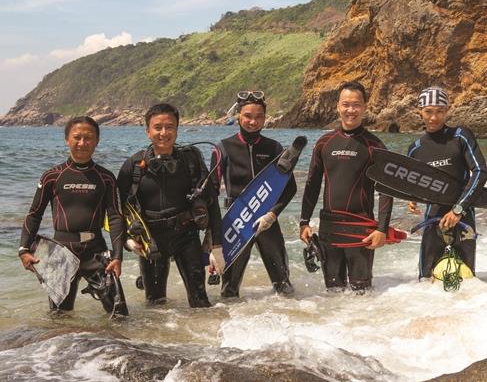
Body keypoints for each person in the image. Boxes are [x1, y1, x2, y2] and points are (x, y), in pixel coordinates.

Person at [117, 103, 224, 307]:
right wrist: (126, 241)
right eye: (158, 127)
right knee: (155, 305)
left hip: (186, 235)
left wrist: (216, 246)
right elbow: (115, 208)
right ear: (148, 131)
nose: (163, 133)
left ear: (177, 129)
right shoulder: (134, 165)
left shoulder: (190, 160)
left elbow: (212, 203)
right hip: (151, 240)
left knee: (200, 301)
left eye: (170, 127)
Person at [18, 116, 127, 314]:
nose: (82, 143)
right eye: (77, 137)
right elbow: (34, 214)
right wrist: (24, 249)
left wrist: (118, 256)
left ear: (97, 141)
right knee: (60, 317)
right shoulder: (52, 176)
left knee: (119, 313)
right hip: (60, 254)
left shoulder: (106, 177)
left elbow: (115, 217)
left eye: (88, 138)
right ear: (67, 139)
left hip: (96, 253)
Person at [299, 81, 393, 292]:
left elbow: (386, 190)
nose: (351, 110)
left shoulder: (374, 146)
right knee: (333, 292)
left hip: (362, 231)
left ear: (365, 107)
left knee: (362, 293)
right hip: (329, 229)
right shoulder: (325, 142)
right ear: (338, 106)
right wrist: (304, 221)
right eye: (346, 104)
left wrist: (382, 229)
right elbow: (312, 184)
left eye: (356, 104)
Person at [210, 90, 296, 297]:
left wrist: (272, 214)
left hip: (267, 222)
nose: (253, 122)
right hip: (237, 222)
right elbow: (211, 195)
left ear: (265, 118)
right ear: (238, 115)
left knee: (284, 286)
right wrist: (213, 243)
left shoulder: (274, 148)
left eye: (259, 117)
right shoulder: (223, 148)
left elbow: (290, 188)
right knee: (229, 291)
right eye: (248, 116)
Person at [407, 87, 487, 278]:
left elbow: (480, 172)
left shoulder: (460, 136)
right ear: (420, 111)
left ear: (447, 110)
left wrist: (458, 209)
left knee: (466, 279)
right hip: (433, 217)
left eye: (439, 111)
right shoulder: (416, 148)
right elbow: (411, 179)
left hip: (463, 217)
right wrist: (412, 197)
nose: (434, 118)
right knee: (426, 279)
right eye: (428, 112)